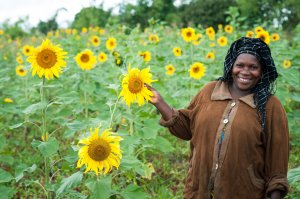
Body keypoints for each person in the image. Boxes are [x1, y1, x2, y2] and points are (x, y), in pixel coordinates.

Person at [147, 37, 289, 199]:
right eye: (240, 65)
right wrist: (159, 102)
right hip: (198, 190)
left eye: (253, 67)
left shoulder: (270, 106)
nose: (245, 71)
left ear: (262, 71)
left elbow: (277, 161)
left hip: (243, 192)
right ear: (231, 66)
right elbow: (187, 129)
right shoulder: (209, 92)